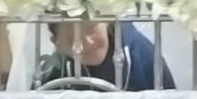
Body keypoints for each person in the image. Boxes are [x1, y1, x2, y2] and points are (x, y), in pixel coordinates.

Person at [39, 18, 174, 90]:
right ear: (56, 43)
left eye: (91, 28)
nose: (87, 42)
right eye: (72, 39)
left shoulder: (143, 54)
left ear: (106, 22)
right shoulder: (54, 70)